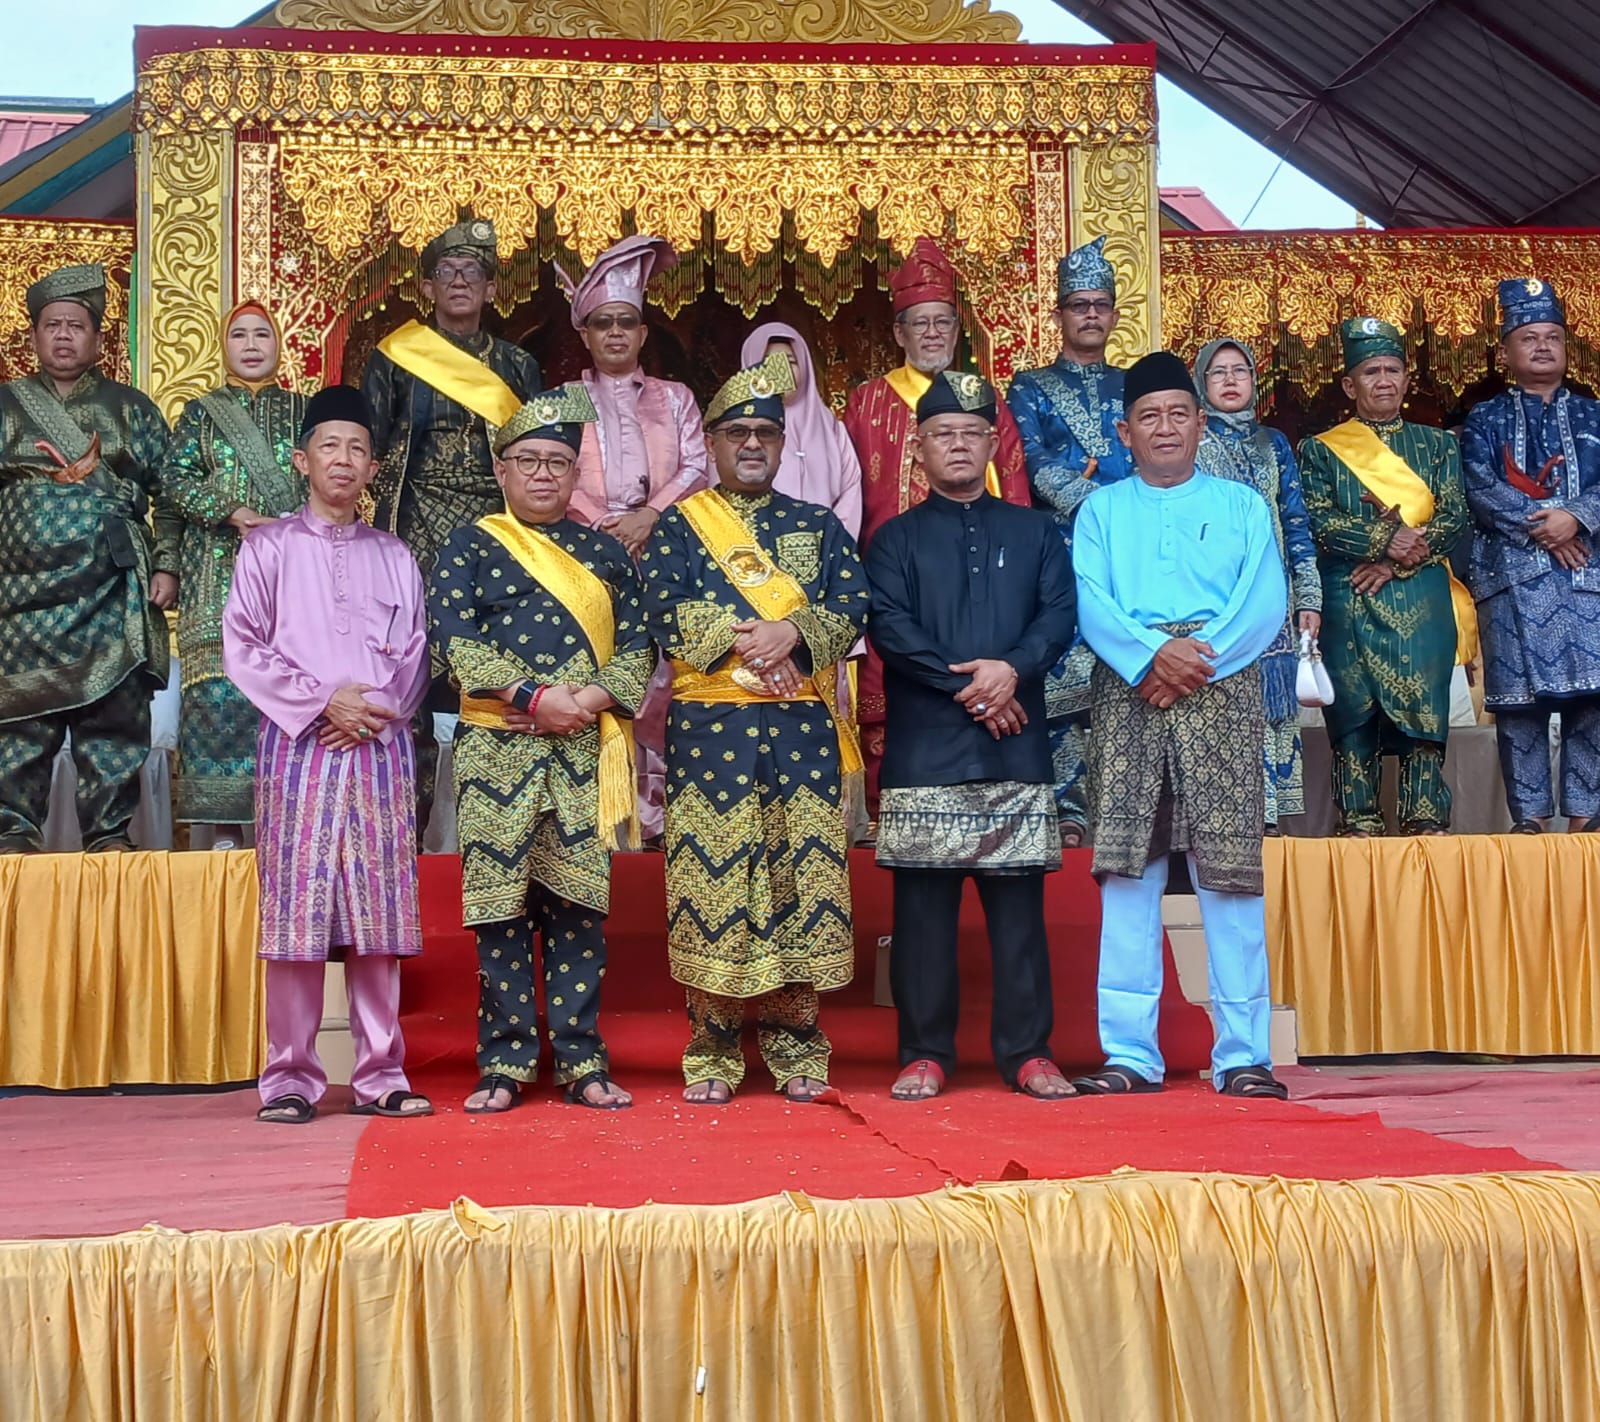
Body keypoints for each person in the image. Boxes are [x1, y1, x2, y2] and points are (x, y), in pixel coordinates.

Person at [640, 352, 869, 1104]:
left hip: (799, 736)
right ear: (709, 442)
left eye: (764, 434)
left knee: (797, 883)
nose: (750, 445)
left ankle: (798, 1042)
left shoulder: (818, 526)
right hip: (711, 735)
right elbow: (663, 609)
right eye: (736, 432)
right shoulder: (679, 527)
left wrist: (795, 631)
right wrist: (751, 638)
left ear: (781, 444)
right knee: (714, 886)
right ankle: (711, 1047)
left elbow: (851, 603)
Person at [429, 386, 656, 1111]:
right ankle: (505, 1063)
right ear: (502, 470)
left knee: (576, 910)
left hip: (583, 750)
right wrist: (534, 698)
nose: (542, 475)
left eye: (558, 461)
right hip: (497, 748)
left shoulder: (603, 552)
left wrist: (585, 703)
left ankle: (583, 1061)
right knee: (500, 913)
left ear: (574, 471)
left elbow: (640, 644)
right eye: (527, 460)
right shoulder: (470, 543)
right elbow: (452, 637)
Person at [1071, 351, 1289, 1100]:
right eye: (1148, 418)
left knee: (1229, 879)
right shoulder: (1099, 511)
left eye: (1177, 414)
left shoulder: (1242, 507)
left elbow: (1265, 601)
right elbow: (1093, 603)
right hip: (1130, 696)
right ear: (1125, 432)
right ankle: (1130, 1054)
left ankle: (1243, 1055)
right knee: (1128, 875)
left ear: (1201, 423)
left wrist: (1194, 660)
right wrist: (1149, 657)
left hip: (1219, 692)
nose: (1164, 429)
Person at [222, 385, 432, 1125]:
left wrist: (370, 710)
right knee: (296, 915)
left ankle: (381, 1075)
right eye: (330, 447)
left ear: (373, 466)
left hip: (377, 749)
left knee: (377, 917)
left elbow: (413, 655)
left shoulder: (394, 553)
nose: (343, 461)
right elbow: (242, 647)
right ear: (302, 459)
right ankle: (290, 1078)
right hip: (298, 748)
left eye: (357, 450)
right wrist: (320, 702)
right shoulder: (268, 547)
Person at [865, 371, 1077, 1100]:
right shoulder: (891, 542)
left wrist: (1010, 671)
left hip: (1013, 746)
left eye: (971, 432)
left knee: (1018, 911)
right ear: (917, 450)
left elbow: (1057, 619)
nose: (957, 444)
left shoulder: (1038, 533)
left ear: (994, 443)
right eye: (941, 434)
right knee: (922, 913)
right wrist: (975, 688)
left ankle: (1029, 1052)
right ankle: (924, 1052)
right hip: (927, 751)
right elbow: (891, 629)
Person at [361, 217, 543, 823]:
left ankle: (491, 815)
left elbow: (535, 452)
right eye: (448, 273)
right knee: (408, 660)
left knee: (491, 662)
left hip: (495, 523)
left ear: (493, 290)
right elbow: (372, 447)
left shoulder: (517, 366)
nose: (460, 282)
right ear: (429, 287)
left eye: (473, 273)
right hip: (416, 519)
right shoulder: (396, 358)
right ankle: (401, 818)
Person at [843, 236, 1031, 820]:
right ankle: (886, 821)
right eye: (918, 323)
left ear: (957, 331)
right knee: (891, 707)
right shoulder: (866, 402)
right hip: (891, 587)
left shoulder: (986, 404)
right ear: (898, 333)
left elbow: (1017, 496)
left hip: (980, 590)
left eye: (942, 323)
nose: (931, 334)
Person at [0, 263, 179, 852]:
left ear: (98, 339)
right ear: (32, 337)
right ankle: (12, 835)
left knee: (113, 717)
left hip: (109, 588)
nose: (62, 336)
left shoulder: (132, 409)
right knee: (17, 725)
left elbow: (171, 494)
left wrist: (167, 563)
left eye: (76, 326)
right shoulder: (5, 406)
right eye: (51, 326)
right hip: (16, 599)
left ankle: (108, 835)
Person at [556, 234, 708, 843]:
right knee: (599, 674)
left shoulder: (676, 399)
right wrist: (605, 525)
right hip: (586, 557)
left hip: (668, 552)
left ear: (644, 334)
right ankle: (602, 824)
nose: (616, 333)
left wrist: (651, 516)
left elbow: (698, 467)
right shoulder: (561, 401)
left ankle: (667, 822)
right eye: (603, 324)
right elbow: (552, 474)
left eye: (627, 322)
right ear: (586, 335)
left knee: (667, 681)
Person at [1299, 318, 1476, 836]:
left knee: (1423, 705)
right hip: (1349, 594)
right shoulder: (1320, 450)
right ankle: (1359, 815)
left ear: (1406, 378)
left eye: (1392, 370)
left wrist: (1397, 558)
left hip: (1421, 590)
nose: (1383, 380)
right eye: (1371, 371)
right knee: (1355, 711)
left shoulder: (1438, 445)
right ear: (1350, 385)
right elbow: (1318, 519)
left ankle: (1425, 812)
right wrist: (1381, 541)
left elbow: (1454, 516)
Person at [1007, 236, 1135, 846]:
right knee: (1061, 686)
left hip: (1131, 558)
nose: (1090, 314)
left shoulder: (1136, 385)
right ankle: (1066, 812)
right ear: (1059, 314)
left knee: (1124, 679)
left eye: (1100, 304)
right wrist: (1105, 502)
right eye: (1078, 304)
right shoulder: (1028, 386)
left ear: (1113, 314)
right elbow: (1030, 460)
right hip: (1058, 555)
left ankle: (1123, 811)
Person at [162, 300, 307, 835]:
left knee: (285, 700)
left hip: (293, 576)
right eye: (239, 335)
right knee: (218, 700)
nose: (250, 345)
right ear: (223, 346)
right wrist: (233, 512)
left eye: (261, 335)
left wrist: (288, 522)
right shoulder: (200, 413)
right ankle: (223, 838)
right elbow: (174, 482)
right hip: (215, 575)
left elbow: (331, 479)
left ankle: (286, 828)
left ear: (278, 345)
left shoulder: (304, 411)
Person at [1461, 279, 1600, 832]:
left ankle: (1587, 819)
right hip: (1511, 578)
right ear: (1505, 353)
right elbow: (1477, 486)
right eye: (1529, 337)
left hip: (1588, 578)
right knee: (1519, 709)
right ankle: (1531, 822)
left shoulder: (1596, 416)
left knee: (1592, 704)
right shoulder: (1483, 420)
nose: (1543, 346)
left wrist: (1579, 517)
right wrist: (1551, 526)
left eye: (1553, 337)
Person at [1193, 336, 1322, 830]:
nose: (1230, 380)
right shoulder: (1193, 442)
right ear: (1201, 384)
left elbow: (1295, 522)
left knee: (1274, 707)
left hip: (1275, 601)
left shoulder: (1274, 444)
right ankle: (1234, 819)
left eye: (1240, 370)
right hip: (1217, 602)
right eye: (1218, 372)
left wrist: (1307, 597)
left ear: (1255, 381)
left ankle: (1271, 821)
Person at [740, 321, 863, 536]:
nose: (782, 372)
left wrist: (834, 544)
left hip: (826, 552)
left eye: (791, 362)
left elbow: (850, 488)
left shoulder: (832, 428)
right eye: (770, 363)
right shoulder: (737, 430)